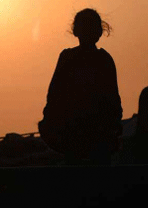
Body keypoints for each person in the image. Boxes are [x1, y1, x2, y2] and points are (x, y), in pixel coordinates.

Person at [38, 9, 122, 165]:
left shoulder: (71, 58)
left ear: (75, 31)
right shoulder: (103, 60)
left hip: (81, 133)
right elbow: (114, 100)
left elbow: (54, 95)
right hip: (90, 133)